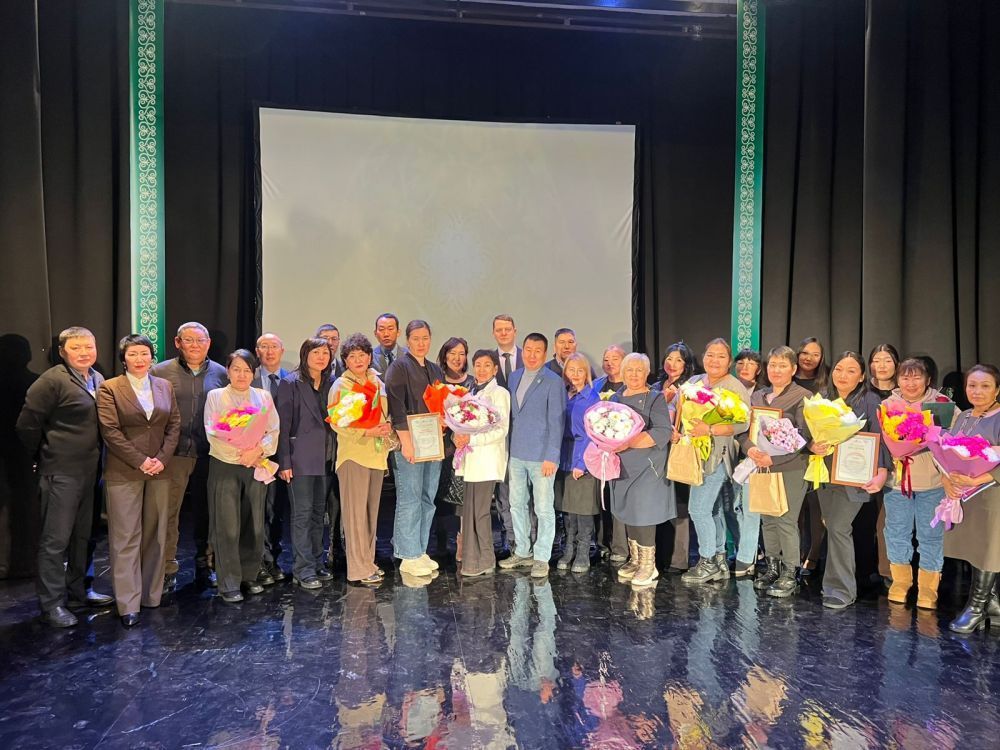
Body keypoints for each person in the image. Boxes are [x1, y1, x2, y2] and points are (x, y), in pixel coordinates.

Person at [16, 326, 114, 627]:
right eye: (76, 348)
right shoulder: (51, 381)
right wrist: (44, 454)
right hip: (60, 471)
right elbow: (26, 426)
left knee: (85, 536)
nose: (84, 352)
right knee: (55, 540)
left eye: (89, 346)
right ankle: (52, 604)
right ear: (62, 352)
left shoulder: (97, 378)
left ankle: (79, 592)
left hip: (91, 472)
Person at [96, 334, 181, 628]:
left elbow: (174, 425)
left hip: (160, 470)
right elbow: (110, 431)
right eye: (133, 354)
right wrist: (141, 460)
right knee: (126, 537)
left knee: (156, 534)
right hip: (124, 471)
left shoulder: (164, 386)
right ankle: (128, 603)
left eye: (144, 353)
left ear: (152, 357)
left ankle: (151, 596)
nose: (140, 359)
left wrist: (161, 459)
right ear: (124, 358)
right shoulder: (109, 388)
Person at [151, 321, 227, 591]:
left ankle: (206, 564)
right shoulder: (159, 372)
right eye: (189, 340)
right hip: (173, 455)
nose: (195, 345)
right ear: (177, 342)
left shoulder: (222, 373)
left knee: (208, 513)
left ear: (209, 343)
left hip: (210, 454)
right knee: (169, 514)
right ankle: (167, 568)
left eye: (201, 340)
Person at [881, 357, 958, 611]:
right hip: (897, 482)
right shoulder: (888, 405)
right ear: (898, 380)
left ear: (928, 379)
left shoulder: (942, 404)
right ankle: (901, 582)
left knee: (931, 535)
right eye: (905, 377)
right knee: (896, 532)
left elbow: (955, 442)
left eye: (917, 377)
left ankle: (928, 588)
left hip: (933, 484)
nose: (911, 383)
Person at [816, 352, 890, 609]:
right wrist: (813, 445)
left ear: (861, 376)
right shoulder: (823, 398)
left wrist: (882, 471)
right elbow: (810, 432)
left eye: (850, 371)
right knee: (832, 526)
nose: (842, 375)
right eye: (838, 369)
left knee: (839, 527)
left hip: (856, 475)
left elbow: (880, 438)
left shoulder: (870, 400)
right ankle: (832, 584)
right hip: (825, 473)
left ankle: (842, 590)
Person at [204, 349, 279, 603]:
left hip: (256, 464)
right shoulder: (216, 396)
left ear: (254, 373)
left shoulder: (263, 396)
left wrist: (258, 451)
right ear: (228, 371)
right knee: (227, 525)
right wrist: (242, 455)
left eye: (247, 370)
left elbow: (273, 430)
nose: (242, 375)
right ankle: (228, 582)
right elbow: (213, 433)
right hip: (225, 465)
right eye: (236, 369)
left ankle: (249, 575)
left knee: (254, 523)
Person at [737, 346, 812, 596]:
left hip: (790, 467)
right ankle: (772, 567)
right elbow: (743, 431)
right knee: (768, 519)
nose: (776, 370)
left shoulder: (803, 396)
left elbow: (804, 438)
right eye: (772, 365)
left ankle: (791, 572)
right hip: (760, 464)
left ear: (793, 369)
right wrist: (750, 449)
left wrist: (774, 459)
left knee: (786, 520)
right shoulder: (758, 396)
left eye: (782, 365)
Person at [679, 339, 751, 585]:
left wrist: (709, 429)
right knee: (713, 510)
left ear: (729, 362)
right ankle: (719, 560)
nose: (714, 360)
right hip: (694, 455)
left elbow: (743, 424)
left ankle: (707, 561)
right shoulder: (695, 382)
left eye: (721, 356)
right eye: (710, 355)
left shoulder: (734, 387)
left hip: (717, 456)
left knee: (698, 509)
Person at [498, 333, 566, 578]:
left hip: (541, 457)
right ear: (522, 350)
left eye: (538, 351)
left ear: (545, 354)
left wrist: (552, 456)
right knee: (516, 505)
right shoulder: (514, 376)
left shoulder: (553, 381)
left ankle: (541, 557)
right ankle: (523, 552)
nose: (532, 355)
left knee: (543, 508)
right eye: (528, 349)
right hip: (517, 453)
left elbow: (557, 422)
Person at [329, 333, 393, 586]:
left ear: (369, 357)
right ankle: (357, 569)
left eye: (362, 355)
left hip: (377, 455)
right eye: (352, 356)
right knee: (355, 516)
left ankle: (368, 562)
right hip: (353, 455)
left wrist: (387, 426)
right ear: (345, 360)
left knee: (370, 514)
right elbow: (338, 422)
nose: (358, 360)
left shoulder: (378, 381)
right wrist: (367, 431)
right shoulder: (341, 385)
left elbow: (385, 413)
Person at [942, 365, 1000, 632]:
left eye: (985, 386)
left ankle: (977, 607)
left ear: (997, 390)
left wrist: (976, 480)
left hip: (992, 495)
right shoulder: (964, 416)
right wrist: (947, 480)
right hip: (966, 495)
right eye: (972, 385)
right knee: (977, 548)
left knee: (989, 550)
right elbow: (947, 452)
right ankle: (993, 603)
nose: (977, 391)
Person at [385, 320, 446, 577]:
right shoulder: (399, 367)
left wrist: (444, 422)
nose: (421, 343)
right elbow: (397, 407)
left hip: (432, 442)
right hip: (409, 441)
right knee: (409, 498)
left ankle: (420, 550)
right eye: (416, 338)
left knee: (427, 497)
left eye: (425, 338)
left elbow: (440, 403)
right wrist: (406, 443)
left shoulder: (435, 369)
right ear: (407, 340)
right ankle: (407, 554)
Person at [610, 353, 675, 587]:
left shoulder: (654, 398)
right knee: (628, 511)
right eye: (629, 370)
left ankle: (649, 565)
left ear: (647, 372)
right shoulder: (615, 398)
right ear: (622, 372)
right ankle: (636, 559)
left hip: (648, 466)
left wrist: (629, 442)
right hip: (622, 465)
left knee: (644, 513)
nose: (634, 374)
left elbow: (662, 431)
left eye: (639, 370)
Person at [277, 338, 334, 590]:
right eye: (316, 352)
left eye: (325, 353)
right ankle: (303, 569)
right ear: (305, 354)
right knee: (302, 514)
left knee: (318, 514)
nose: (321, 357)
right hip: (299, 459)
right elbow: (283, 425)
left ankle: (317, 562)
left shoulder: (332, 382)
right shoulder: (291, 383)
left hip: (326, 457)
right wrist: (284, 462)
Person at [455, 350, 510, 577]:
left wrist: (472, 439)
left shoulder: (500, 394)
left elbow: (501, 430)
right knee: (469, 512)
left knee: (481, 513)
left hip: (487, 461)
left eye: (487, 365)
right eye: (478, 364)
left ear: (495, 369)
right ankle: (471, 560)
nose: (482, 369)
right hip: (470, 460)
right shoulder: (470, 393)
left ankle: (486, 559)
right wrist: (458, 436)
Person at [652, 342, 699, 574]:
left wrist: (682, 434)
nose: (672, 364)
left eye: (679, 360)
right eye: (669, 358)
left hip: (680, 451)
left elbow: (697, 422)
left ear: (687, 364)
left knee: (680, 505)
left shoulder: (692, 389)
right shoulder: (654, 387)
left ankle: (678, 560)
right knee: (659, 502)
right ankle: (658, 556)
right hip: (656, 453)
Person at [556, 354, 601, 573]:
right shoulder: (562, 394)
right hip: (563, 458)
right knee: (568, 510)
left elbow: (594, 434)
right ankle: (569, 549)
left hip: (583, 458)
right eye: (571, 370)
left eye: (580, 370)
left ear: (587, 373)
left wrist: (581, 463)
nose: (575, 374)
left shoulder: (592, 397)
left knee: (583, 510)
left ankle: (583, 551)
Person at [251, 333, 290, 585]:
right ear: (257, 351)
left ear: (282, 351)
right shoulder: (248, 378)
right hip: (254, 454)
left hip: (282, 454)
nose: (269, 351)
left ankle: (273, 559)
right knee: (257, 510)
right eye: (264, 346)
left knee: (277, 510)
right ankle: (259, 561)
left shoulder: (293, 379)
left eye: (274, 346)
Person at [434, 337, 475, 557]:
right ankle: (440, 540)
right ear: (444, 355)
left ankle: (461, 540)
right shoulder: (436, 382)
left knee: (462, 495)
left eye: (461, 354)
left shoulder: (473, 384)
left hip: (464, 447)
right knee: (439, 493)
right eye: (452, 353)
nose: (457, 358)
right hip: (441, 446)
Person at [794, 337, 829, 576]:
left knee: (816, 507)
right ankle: (794, 554)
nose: (809, 358)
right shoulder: (787, 381)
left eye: (815, 354)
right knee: (794, 508)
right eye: (805, 353)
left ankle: (813, 554)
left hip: (819, 453)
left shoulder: (826, 385)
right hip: (794, 451)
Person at [593, 345, 628, 564]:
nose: (610, 363)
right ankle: (603, 543)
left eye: (615, 359)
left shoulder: (631, 385)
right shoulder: (597, 385)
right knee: (602, 499)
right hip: (600, 451)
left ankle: (620, 546)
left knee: (619, 500)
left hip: (624, 451)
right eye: (606, 359)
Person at [491, 314, 523, 555]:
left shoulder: (528, 358)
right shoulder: (487, 362)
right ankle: (509, 541)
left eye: (507, 329)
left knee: (523, 493)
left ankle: (527, 541)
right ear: (494, 333)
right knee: (503, 492)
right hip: (497, 439)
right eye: (499, 330)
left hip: (524, 438)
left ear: (515, 331)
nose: (503, 333)